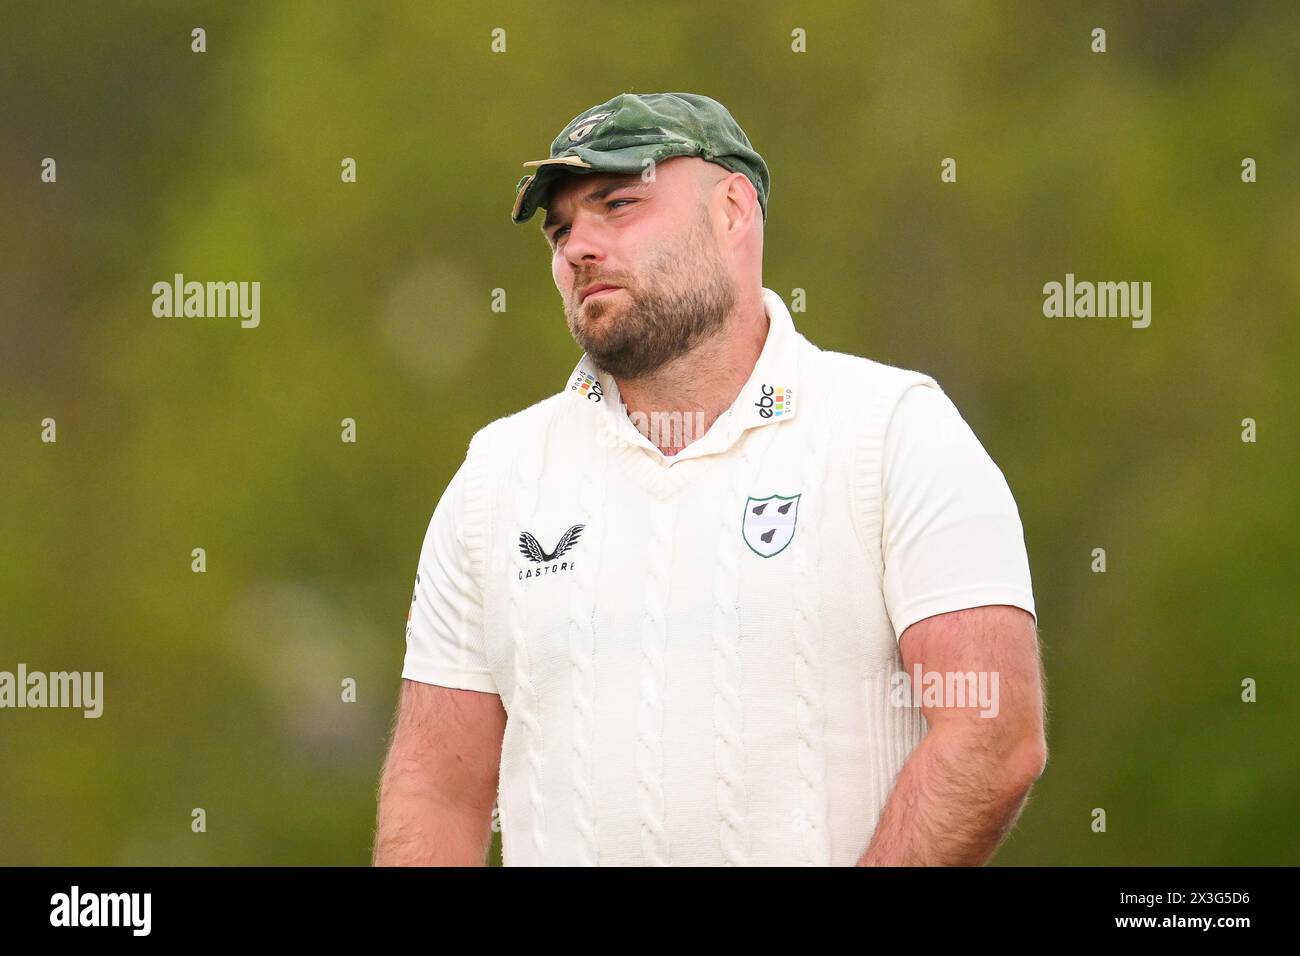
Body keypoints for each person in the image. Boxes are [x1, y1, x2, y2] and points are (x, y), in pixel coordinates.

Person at [373, 92, 1046, 866]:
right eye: (560, 232)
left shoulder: (891, 430)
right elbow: (437, 792)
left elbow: (992, 734)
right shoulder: (497, 477)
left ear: (732, 210)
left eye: (617, 204)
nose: (577, 248)